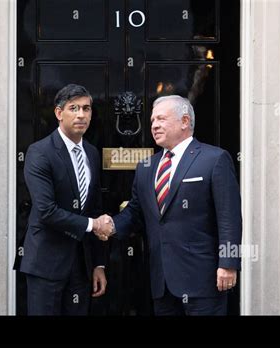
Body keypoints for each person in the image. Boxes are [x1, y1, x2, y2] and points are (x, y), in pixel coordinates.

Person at [96, 95, 242, 315]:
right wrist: (111, 226)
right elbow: (136, 212)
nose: (154, 125)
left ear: (184, 121)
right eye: (153, 120)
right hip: (162, 282)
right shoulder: (147, 166)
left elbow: (229, 216)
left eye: (161, 119)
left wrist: (229, 263)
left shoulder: (214, 159)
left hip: (203, 279)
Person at [19, 84, 114, 315]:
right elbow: (46, 210)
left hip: (81, 266)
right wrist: (93, 226)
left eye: (86, 108)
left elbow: (95, 208)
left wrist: (99, 264)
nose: (81, 114)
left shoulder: (91, 153)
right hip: (46, 264)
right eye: (74, 108)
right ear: (59, 113)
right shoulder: (40, 152)